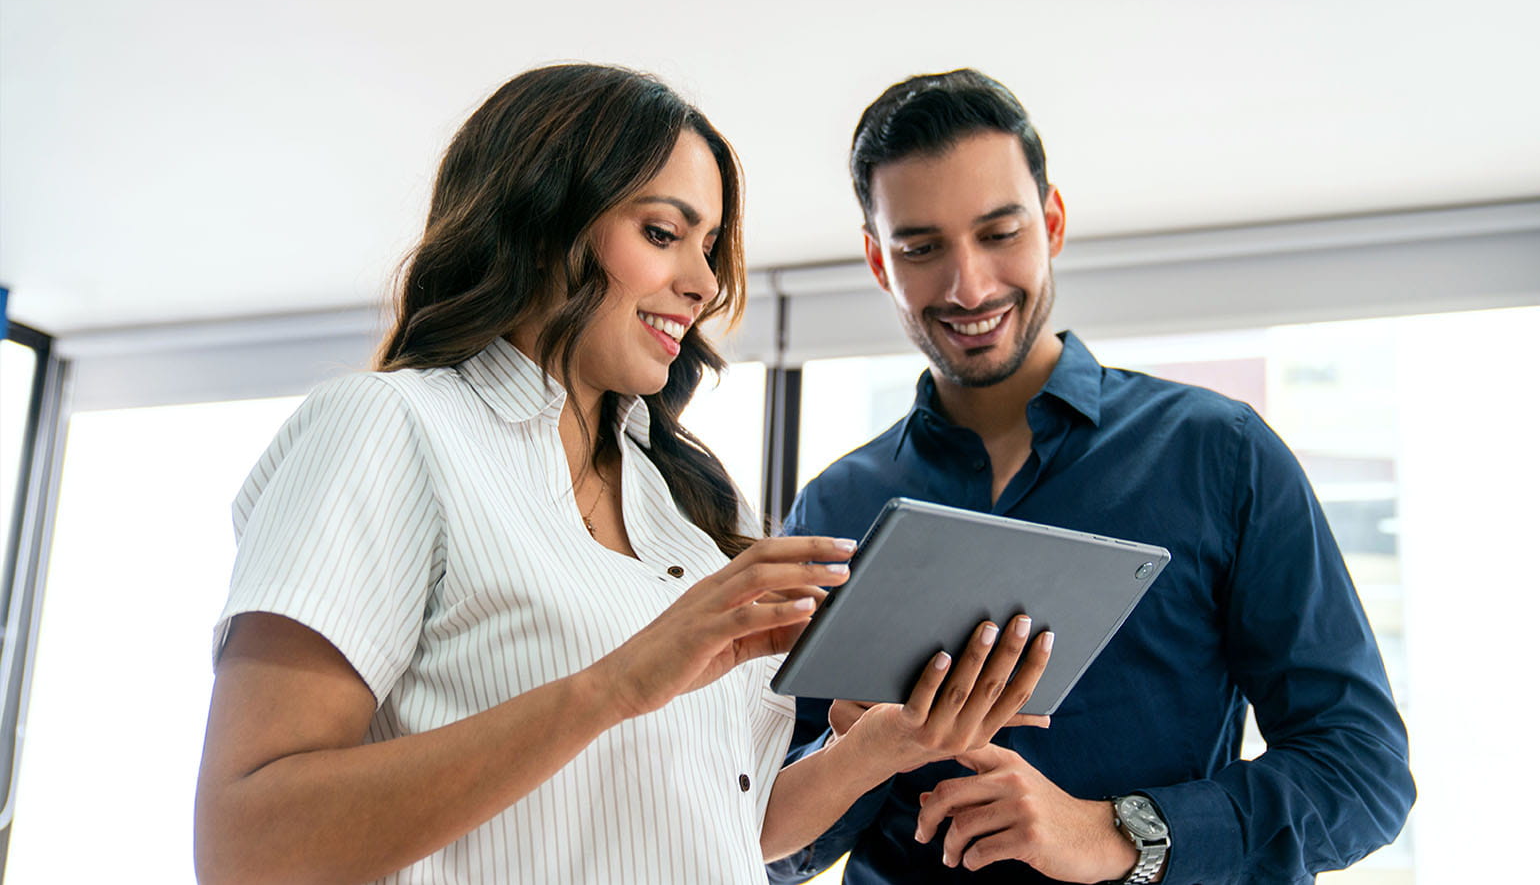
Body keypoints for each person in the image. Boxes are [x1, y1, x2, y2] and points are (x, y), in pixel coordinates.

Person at [192, 64, 1055, 885]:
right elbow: (246, 845)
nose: (703, 282)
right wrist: (614, 687)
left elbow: (723, 824)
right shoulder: (392, 428)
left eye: (710, 245)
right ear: (541, 224)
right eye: (662, 233)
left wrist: (879, 749)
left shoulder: (690, 505)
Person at [767, 69, 1415, 884]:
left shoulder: (1221, 453)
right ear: (876, 259)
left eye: (999, 233)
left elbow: (1362, 772)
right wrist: (857, 754)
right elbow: (767, 845)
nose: (968, 285)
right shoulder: (833, 507)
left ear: (1053, 222)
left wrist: (1115, 832)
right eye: (921, 247)